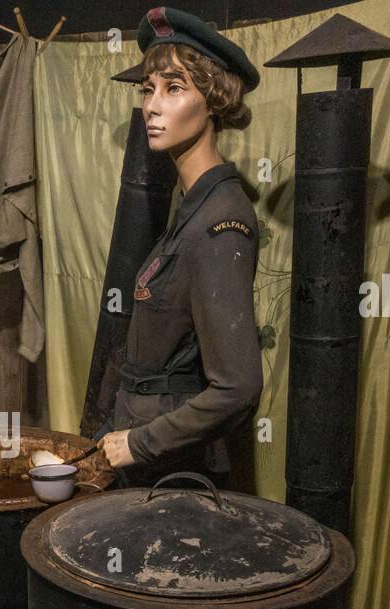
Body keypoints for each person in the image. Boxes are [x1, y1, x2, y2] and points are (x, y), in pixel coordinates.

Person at [98, 7, 264, 488]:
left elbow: (238, 387)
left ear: (214, 100)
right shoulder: (193, 207)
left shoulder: (220, 223)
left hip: (171, 467)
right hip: (148, 453)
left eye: (174, 88)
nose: (152, 106)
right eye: (148, 89)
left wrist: (139, 443)